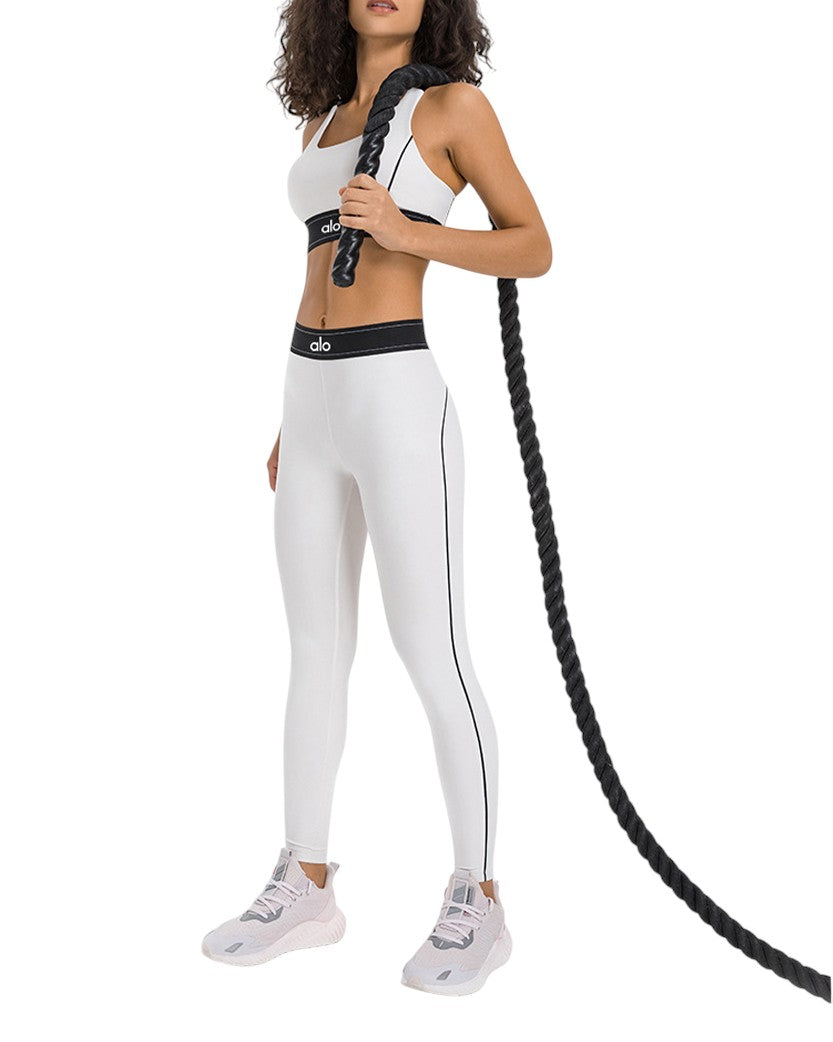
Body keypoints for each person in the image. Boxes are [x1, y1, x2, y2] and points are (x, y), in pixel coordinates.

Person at [202, 0, 551, 996]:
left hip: (397, 397)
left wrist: (408, 231)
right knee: (313, 647)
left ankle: (478, 896)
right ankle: (306, 881)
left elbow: (532, 244)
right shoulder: (318, 121)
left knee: (431, 649)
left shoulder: (452, 109)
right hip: (311, 394)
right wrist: (294, 417)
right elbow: (318, 267)